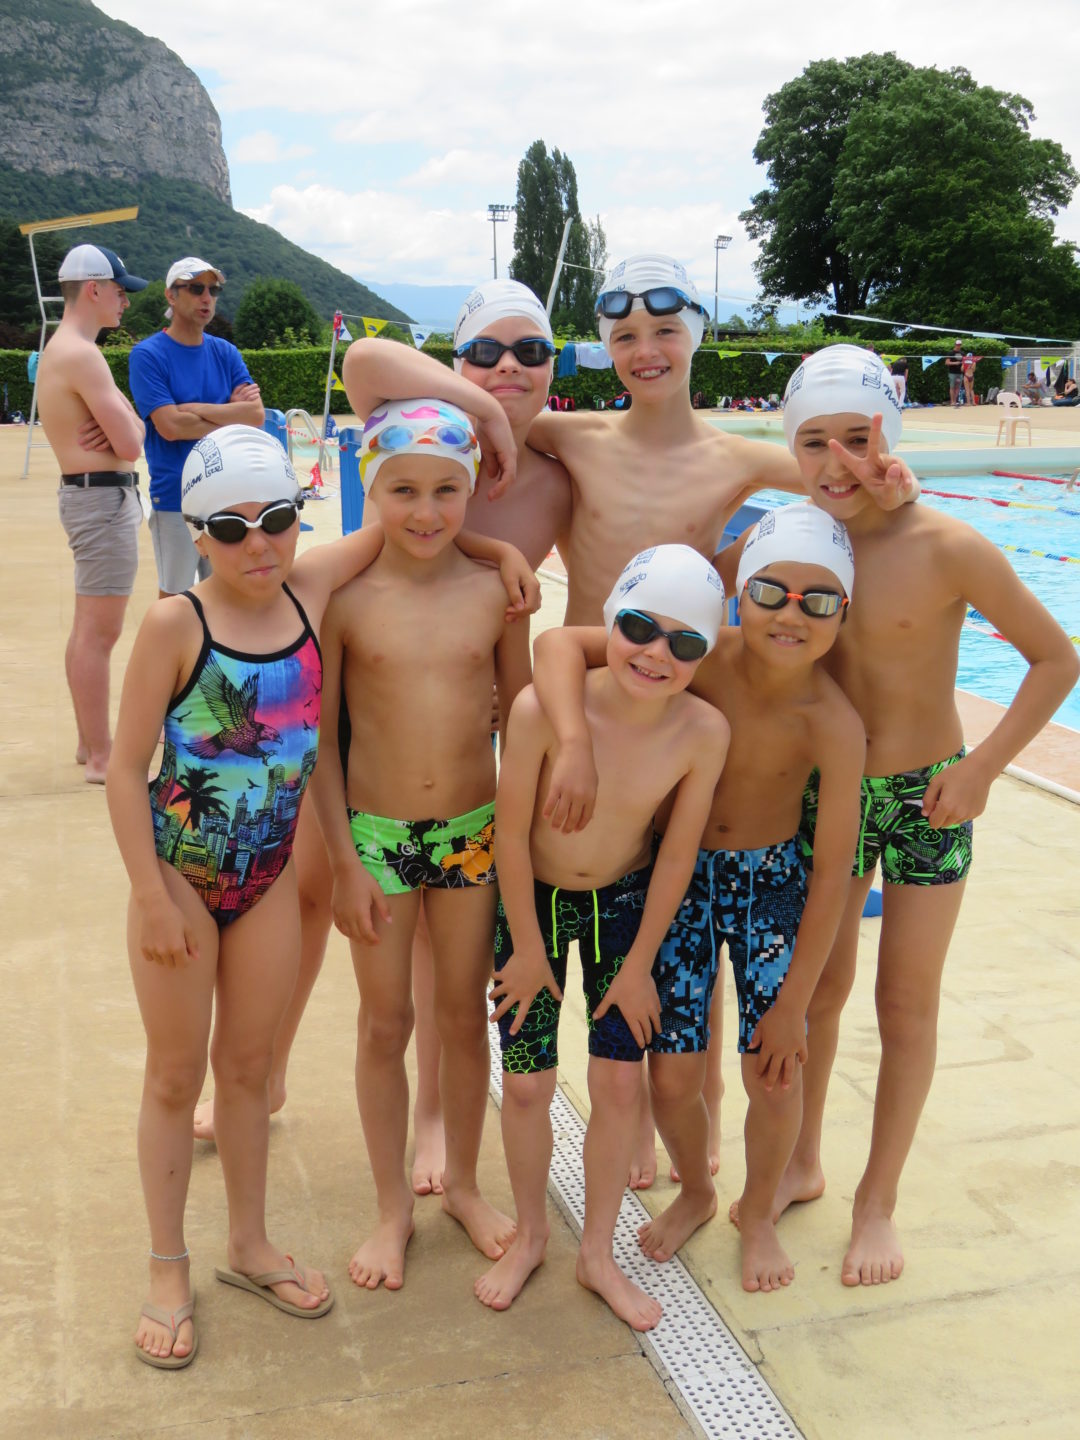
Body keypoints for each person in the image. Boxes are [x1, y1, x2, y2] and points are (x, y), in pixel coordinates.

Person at [528, 262, 919, 1186]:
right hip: (595, 713)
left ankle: (751, 1154)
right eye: (622, 337)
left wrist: (895, 486)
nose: (644, 351)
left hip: (687, 721)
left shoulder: (741, 456)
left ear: (695, 337)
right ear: (604, 349)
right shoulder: (571, 433)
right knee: (661, 947)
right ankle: (690, 1145)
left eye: (664, 333)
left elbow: (841, 478)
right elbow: (418, 382)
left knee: (703, 940)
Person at [188, 280, 570, 1185]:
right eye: (485, 351)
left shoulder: (557, 468)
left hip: (467, 791)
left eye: (528, 353)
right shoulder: (403, 422)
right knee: (333, 920)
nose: (506, 367)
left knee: (449, 993)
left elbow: (524, 700)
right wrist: (481, 442)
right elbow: (365, 370)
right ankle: (279, 1083)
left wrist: (499, 557)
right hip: (369, 771)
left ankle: (439, 1135)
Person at [730, 345, 1079, 1287]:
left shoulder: (946, 544)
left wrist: (985, 770)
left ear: (895, 432)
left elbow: (1056, 658)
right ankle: (800, 1161)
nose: (837, 460)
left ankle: (875, 1201)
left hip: (931, 796)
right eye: (815, 442)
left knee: (905, 1002)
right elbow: (693, 597)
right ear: (789, 449)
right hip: (826, 802)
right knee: (819, 992)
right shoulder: (791, 540)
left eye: (857, 436)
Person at [533, 508, 865, 1293]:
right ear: (738, 596)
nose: (790, 615)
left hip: (771, 888)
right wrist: (573, 742)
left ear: (842, 614)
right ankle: (699, 1189)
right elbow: (556, 644)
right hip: (674, 883)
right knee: (674, 1080)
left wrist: (795, 1003)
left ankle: (757, 1213)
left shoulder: (833, 722)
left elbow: (832, 872)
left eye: (818, 603)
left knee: (775, 1071)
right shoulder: (695, 654)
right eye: (771, 593)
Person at [107, 426, 362, 1367]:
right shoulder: (178, 623)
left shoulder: (309, 593)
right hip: (180, 875)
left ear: (302, 515)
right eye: (232, 527)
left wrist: (500, 551)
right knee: (178, 1076)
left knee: (247, 1071)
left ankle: (249, 1245)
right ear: (195, 532)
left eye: (280, 520)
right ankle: (167, 1264)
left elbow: (416, 518)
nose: (260, 544)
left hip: (266, 884)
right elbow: (131, 766)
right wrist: (150, 897)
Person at [311, 399, 534, 1293]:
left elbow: (523, 723)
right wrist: (342, 860)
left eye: (448, 491)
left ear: (471, 493)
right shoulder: (348, 601)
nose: (428, 512)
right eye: (403, 490)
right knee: (384, 1022)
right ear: (374, 489)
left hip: (475, 836)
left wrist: (521, 845)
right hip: (377, 837)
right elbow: (324, 742)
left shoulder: (494, 591)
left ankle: (466, 1188)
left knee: (458, 1016)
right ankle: (391, 1206)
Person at [479, 545, 729, 1327]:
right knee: (526, 1085)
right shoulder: (543, 712)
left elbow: (679, 851)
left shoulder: (703, 731)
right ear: (607, 623)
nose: (656, 654)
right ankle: (529, 1235)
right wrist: (523, 946)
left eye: (685, 644)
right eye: (637, 628)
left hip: (624, 906)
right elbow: (510, 836)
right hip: (534, 907)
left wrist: (642, 963)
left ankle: (596, 1256)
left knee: (622, 1083)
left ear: (705, 654)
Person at [35, 243, 149, 783]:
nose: (125, 301)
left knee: (87, 629)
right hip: (102, 496)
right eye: (121, 291)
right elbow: (131, 441)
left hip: (90, 493)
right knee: (99, 634)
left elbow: (126, 436)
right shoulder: (82, 354)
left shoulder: (66, 349)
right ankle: (102, 756)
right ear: (95, 289)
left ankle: (89, 743)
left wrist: (127, 422)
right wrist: (130, 418)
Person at [129, 257, 264, 598]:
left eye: (213, 290)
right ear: (171, 296)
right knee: (174, 597)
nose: (207, 298)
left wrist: (198, 410)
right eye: (195, 288)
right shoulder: (147, 355)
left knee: (226, 594)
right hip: (176, 498)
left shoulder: (225, 352)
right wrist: (230, 412)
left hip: (227, 495)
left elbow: (256, 417)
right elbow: (171, 427)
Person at [945, 341, 964, 405]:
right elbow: (947, 362)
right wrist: (955, 363)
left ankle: (955, 401)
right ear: (955, 345)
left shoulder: (962, 353)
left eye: (960, 345)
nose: (959, 346)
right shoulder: (951, 353)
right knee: (952, 387)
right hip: (952, 373)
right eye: (957, 345)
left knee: (958, 388)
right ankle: (952, 401)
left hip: (960, 373)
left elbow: (964, 363)